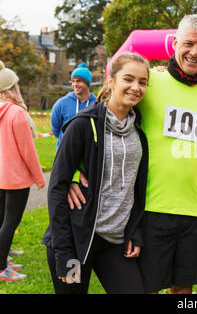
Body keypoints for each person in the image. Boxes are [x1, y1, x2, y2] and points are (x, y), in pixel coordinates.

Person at [67, 15, 197, 294]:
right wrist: (73, 172)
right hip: (150, 208)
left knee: (183, 290)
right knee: (148, 287)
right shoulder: (149, 82)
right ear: (175, 43)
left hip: (194, 209)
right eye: (189, 43)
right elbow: (98, 119)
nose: (195, 52)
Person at [42, 53, 150, 294]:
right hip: (74, 242)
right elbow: (57, 186)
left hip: (114, 243)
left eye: (142, 82)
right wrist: (63, 252)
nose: (135, 87)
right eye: (129, 79)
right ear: (111, 81)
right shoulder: (82, 124)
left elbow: (136, 190)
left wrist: (134, 231)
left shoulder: (139, 132)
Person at [0, 60, 46, 281]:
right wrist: (39, 177)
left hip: (1, 175)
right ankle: (1, 269)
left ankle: (2, 262)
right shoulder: (17, 114)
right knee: (10, 223)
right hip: (16, 178)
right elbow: (28, 151)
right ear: (10, 88)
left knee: (2, 221)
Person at [51, 62, 97, 149]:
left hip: (88, 154)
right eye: (73, 81)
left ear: (87, 83)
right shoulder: (61, 104)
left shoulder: (97, 104)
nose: (75, 84)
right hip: (65, 153)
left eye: (79, 81)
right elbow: (55, 130)